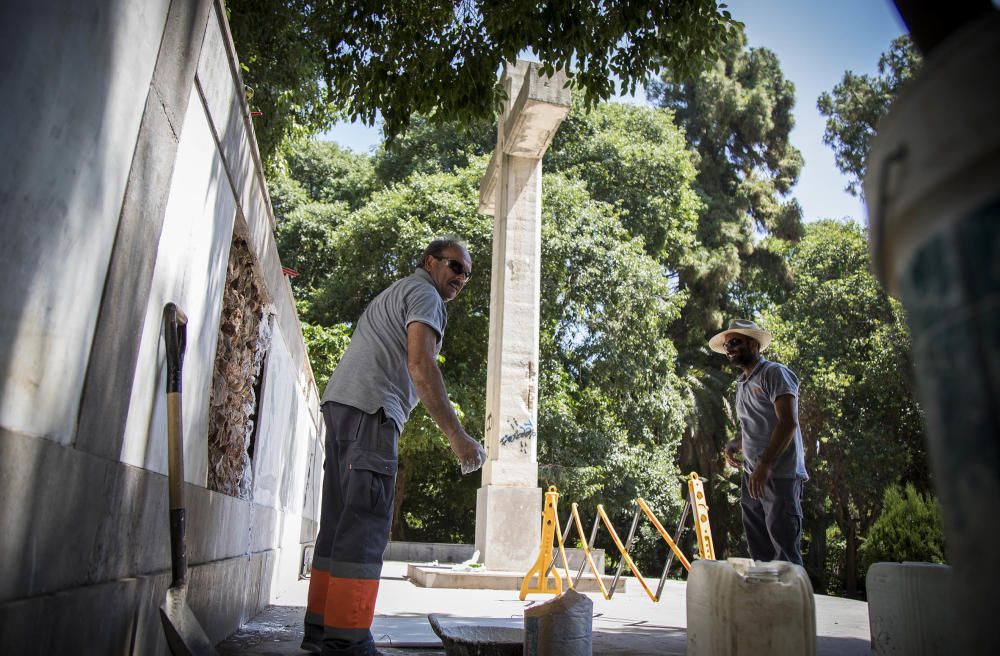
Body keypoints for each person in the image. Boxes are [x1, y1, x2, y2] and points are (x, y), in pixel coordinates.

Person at [303, 238, 488, 655]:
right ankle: (346, 641)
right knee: (365, 523)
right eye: (455, 266)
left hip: (341, 407)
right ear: (430, 262)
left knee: (336, 524)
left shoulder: (398, 291)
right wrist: (458, 437)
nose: (461, 277)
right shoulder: (425, 294)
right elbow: (420, 365)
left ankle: (319, 633)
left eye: (467, 273)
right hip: (371, 412)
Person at [710, 319, 808, 566]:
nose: (729, 348)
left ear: (754, 344)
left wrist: (765, 465)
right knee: (761, 556)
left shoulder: (774, 373)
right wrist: (736, 442)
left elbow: (787, 422)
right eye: (726, 345)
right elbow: (755, 425)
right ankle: (767, 604)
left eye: (735, 342)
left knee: (785, 558)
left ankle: (792, 605)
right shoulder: (742, 383)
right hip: (752, 476)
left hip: (778, 475)